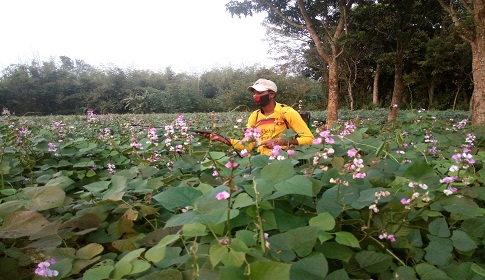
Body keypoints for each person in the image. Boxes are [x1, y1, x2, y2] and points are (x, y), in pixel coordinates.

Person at [200, 78, 315, 156]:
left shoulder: (287, 112)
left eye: (259, 93)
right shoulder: (254, 117)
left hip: (285, 160)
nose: (255, 96)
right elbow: (248, 144)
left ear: (271, 94)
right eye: (254, 93)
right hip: (263, 162)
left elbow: (310, 140)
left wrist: (281, 142)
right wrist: (220, 138)